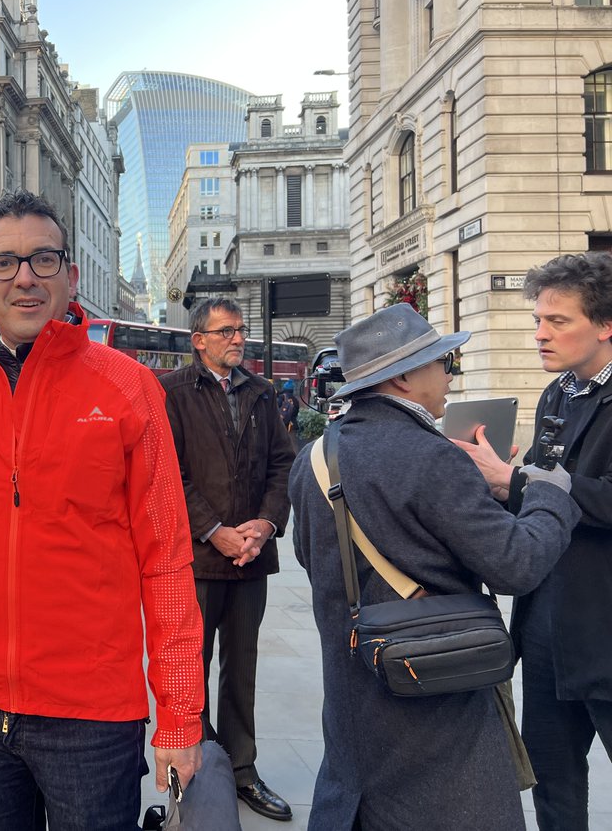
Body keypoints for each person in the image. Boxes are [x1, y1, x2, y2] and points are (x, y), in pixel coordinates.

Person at [0, 189, 205, 830]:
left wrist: (179, 715)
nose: (25, 278)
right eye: (3, 264)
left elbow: (167, 559)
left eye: (43, 259)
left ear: (70, 276)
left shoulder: (128, 387)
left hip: (91, 717)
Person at [288, 303, 579, 830]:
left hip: (354, 705)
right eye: (442, 362)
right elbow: (516, 564)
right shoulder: (432, 458)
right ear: (402, 376)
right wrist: (545, 494)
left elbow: (316, 559)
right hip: (436, 706)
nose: (450, 373)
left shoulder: (314, 457)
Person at [454, 252, 612, 830]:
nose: (541, 334)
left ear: (605, 325)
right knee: (552, 785)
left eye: (558, 321)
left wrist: (518, 480)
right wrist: (500, 490)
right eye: (538, 321)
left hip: (605, 628)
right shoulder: (556, 394)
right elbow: (542, 501)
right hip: (545, 627)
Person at [160, 297, 296, 822]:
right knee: (188, 670)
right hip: (195, 559)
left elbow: (282, 466)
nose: (237, 339)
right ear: (198, 340)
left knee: (242, 668)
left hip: (251, 559)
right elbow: (169, 472)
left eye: (240, 330)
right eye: (225, 332)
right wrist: (213, 531)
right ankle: (197, 768)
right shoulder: (171, 392)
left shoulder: (262, 394)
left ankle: (242, 770)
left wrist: (264, 525)